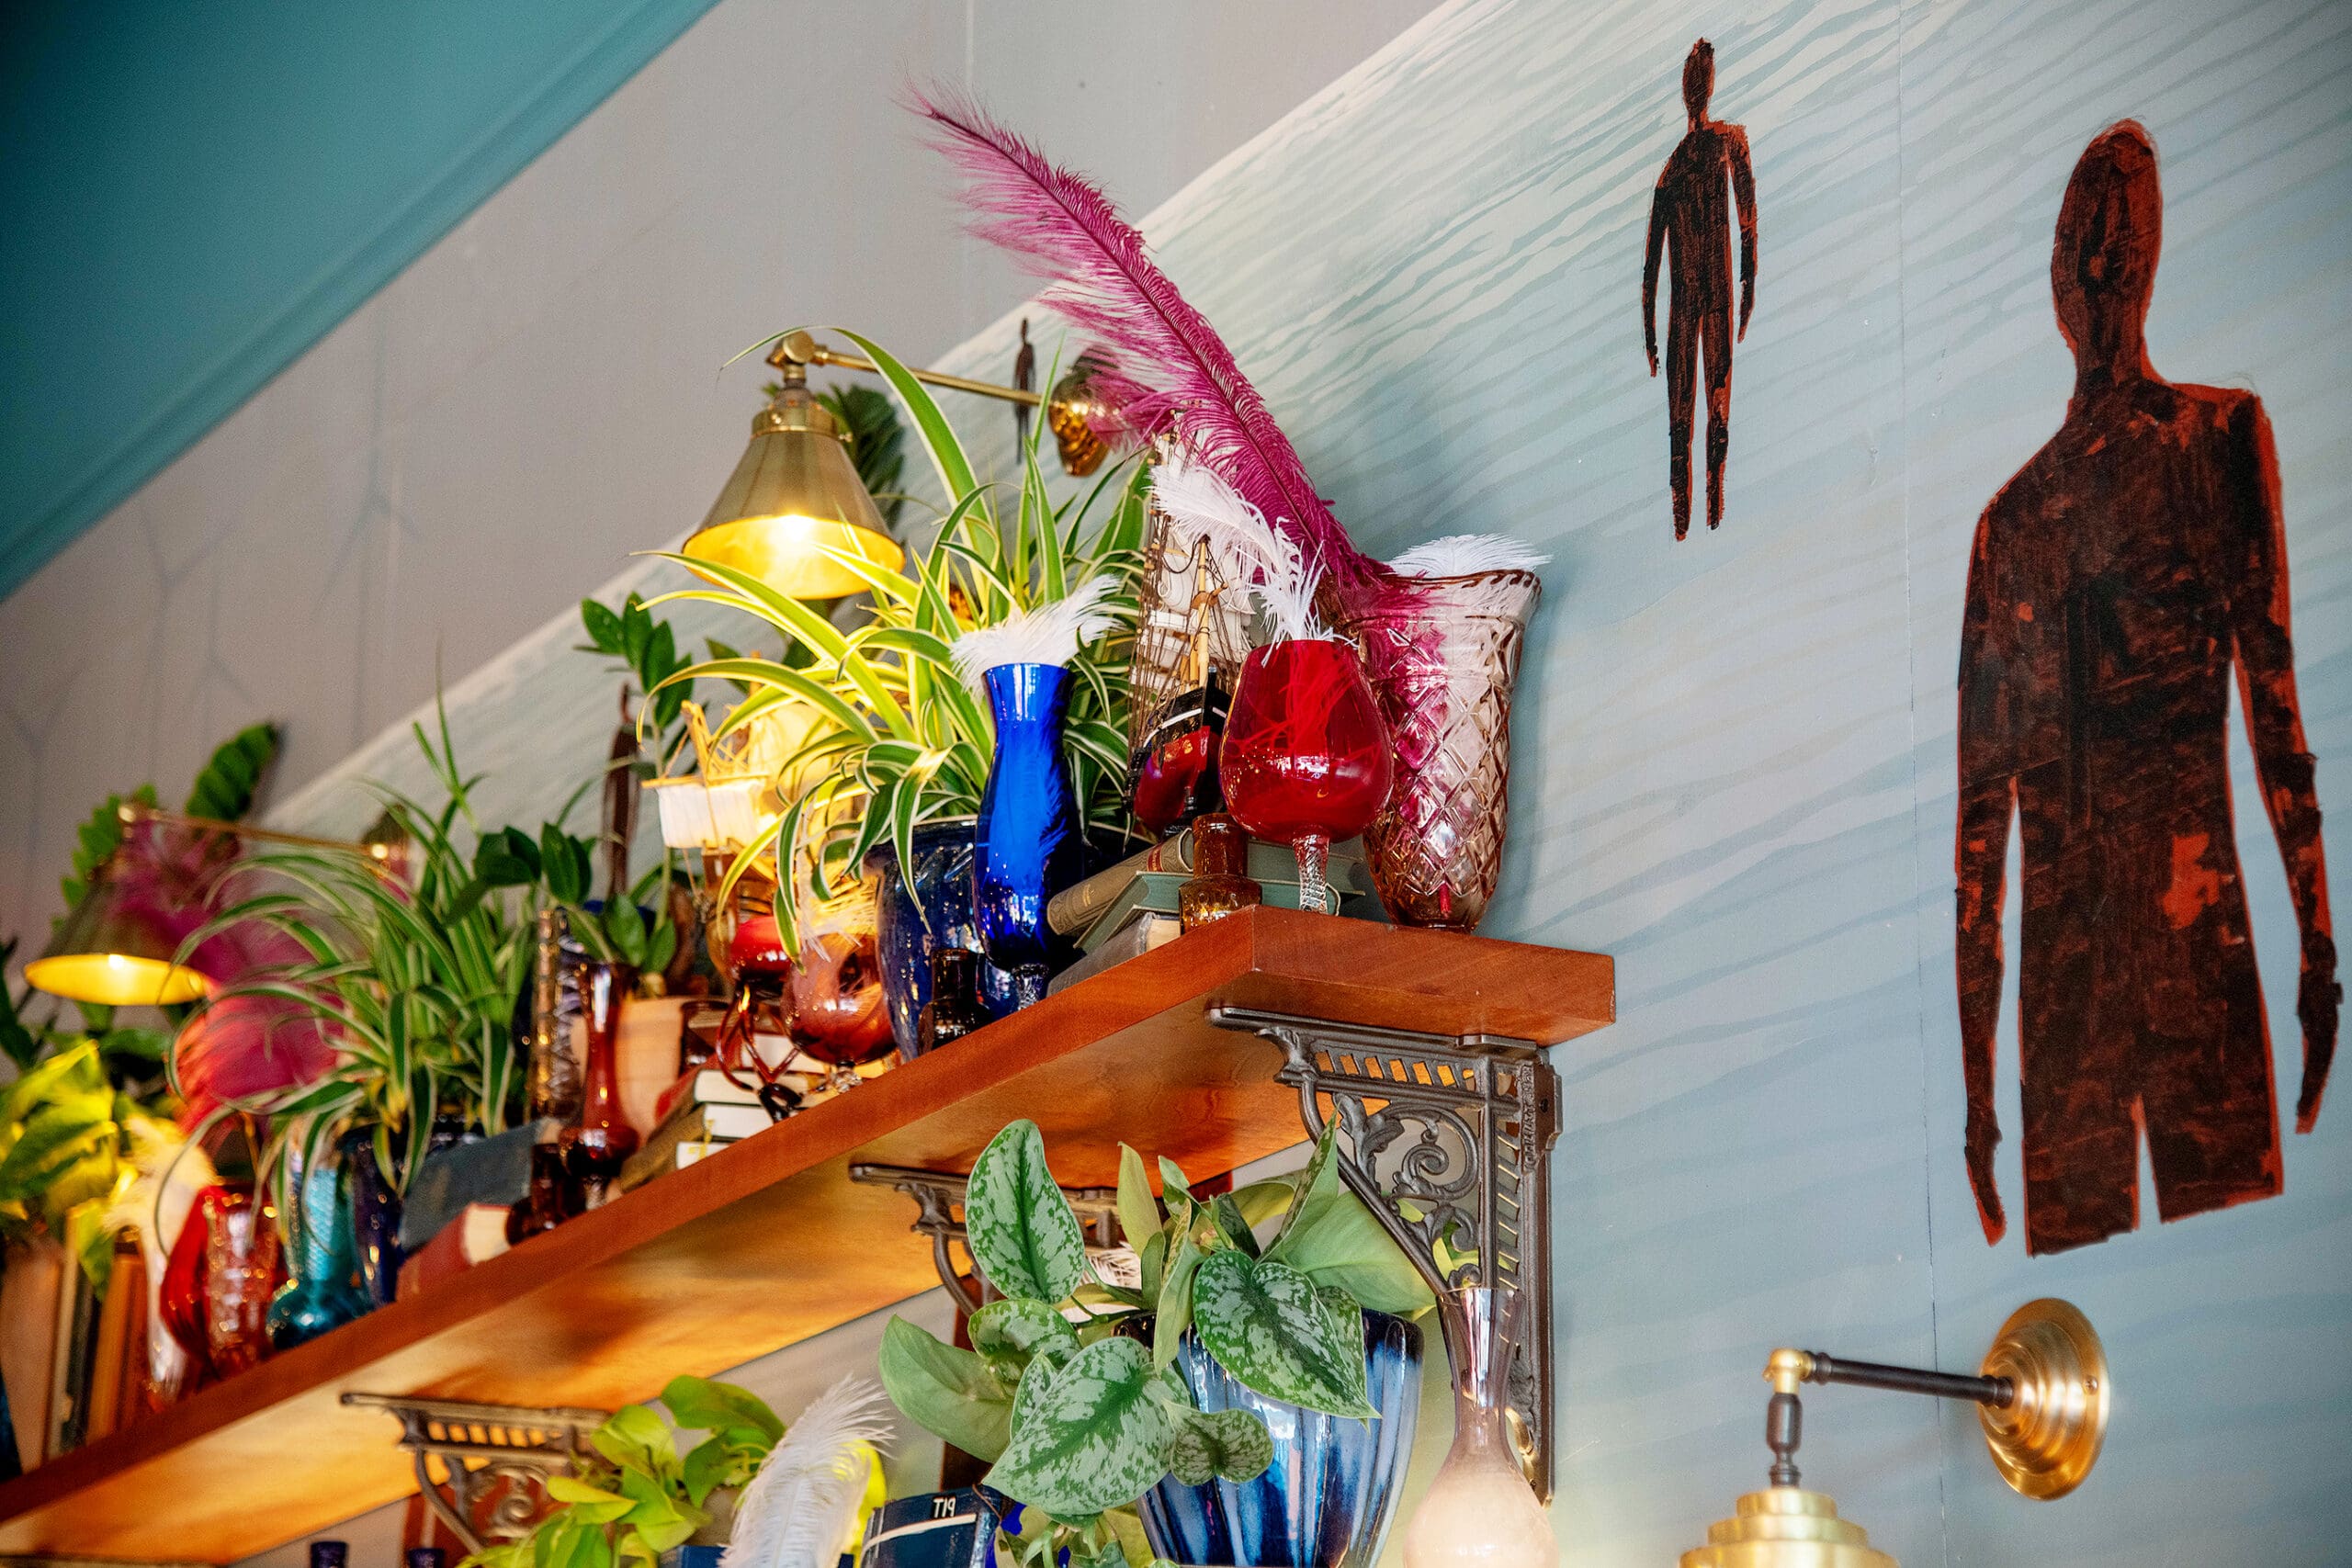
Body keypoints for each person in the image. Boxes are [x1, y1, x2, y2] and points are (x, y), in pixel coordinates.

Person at [1955, 121, 2337, 1256]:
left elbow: (2278, 720)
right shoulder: (2026, 517)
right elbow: (1980, 839)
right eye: (2104, 242)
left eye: (2117, 241)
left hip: (2153, 970)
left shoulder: (2198, 447)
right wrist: (1976, 1095)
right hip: (2120, 986)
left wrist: (2318, 952)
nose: (2111, 264)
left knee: (2212, 1279)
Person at [1642, 38, 1758, 540]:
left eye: (1697, 79)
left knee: (1702, 417)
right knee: (1693, 422)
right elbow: (1651, 265)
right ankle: (1692, 518)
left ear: (1700, 87)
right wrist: (1649, 332)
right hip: (1694, 309)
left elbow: (1748, 223)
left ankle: (1706, 514)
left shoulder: (1711, 152)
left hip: (1697, 306)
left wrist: (1749, 283)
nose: (1695, 89)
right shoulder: (1690, 162)